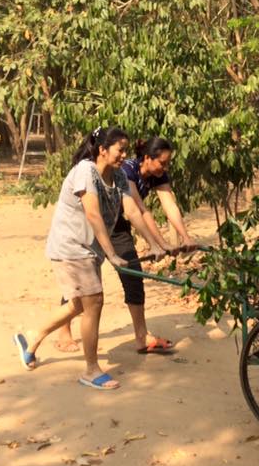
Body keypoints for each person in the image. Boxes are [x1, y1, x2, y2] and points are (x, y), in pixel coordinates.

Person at [12, 126, 166, 390]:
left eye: (126, 150)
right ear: (103, 150)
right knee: (94, 301)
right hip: (71, 245)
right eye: (120, 149)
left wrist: (153, 244)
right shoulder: (86, 171)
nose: (124, 155)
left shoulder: (117, 177)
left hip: (88, 249)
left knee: (79, 305)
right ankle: (91, 370)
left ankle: (32, 336)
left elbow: (131, 210)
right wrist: (113, 254)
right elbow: (93, 214)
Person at [54, 135, 196, 354]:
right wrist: (160, 244)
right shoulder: (126, 170)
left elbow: (168, 205)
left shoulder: (150, 174)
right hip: (95, 226)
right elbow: (139, 210)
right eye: (162, 162)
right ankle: (63, 332)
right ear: (147, 158)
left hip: (118, 228)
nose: (165, 168)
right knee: (82, 282)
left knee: (133, 275)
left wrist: (184, 238)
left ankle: (141, 336)